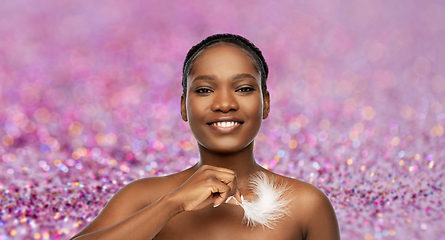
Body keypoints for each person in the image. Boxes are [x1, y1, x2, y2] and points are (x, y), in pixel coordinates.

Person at [71, 33, 340, 240]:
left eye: (244, 88)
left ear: (266, 103)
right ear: (183, 107)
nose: (224, 103)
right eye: (204, 90)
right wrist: (172, 204)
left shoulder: (307, 205)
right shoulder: (143, 197)